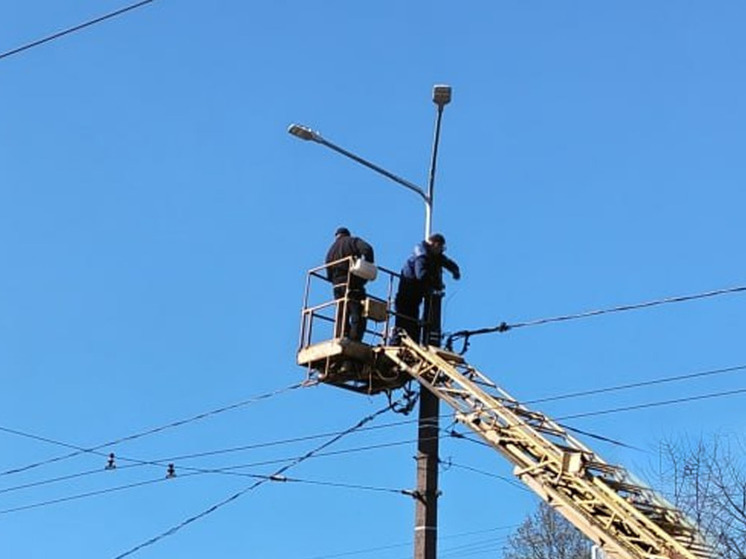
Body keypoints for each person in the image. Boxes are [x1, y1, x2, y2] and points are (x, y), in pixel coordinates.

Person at [394, 233, 460, 343]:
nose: (441, 251)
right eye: (441, 248)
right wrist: (435, 283)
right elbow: (421, 275)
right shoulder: (421, 256)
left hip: (415, 297)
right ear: (435, 244)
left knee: (413, 325)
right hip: (407, 295)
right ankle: (397, 343)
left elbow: (446, 262)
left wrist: (455, 270)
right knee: (404, 323)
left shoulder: (432, 255)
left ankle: (411, 344)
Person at [325, 227, 375, 342]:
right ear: (347, 234)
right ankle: (355, 339)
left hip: (337, 286)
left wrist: (335, 280)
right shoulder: (352, 241)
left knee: (342, 312)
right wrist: (366, 267)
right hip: (352, 283)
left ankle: (341, 336)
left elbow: (328, 273)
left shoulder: (331, 250)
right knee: (357, 312)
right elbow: (367, 249)